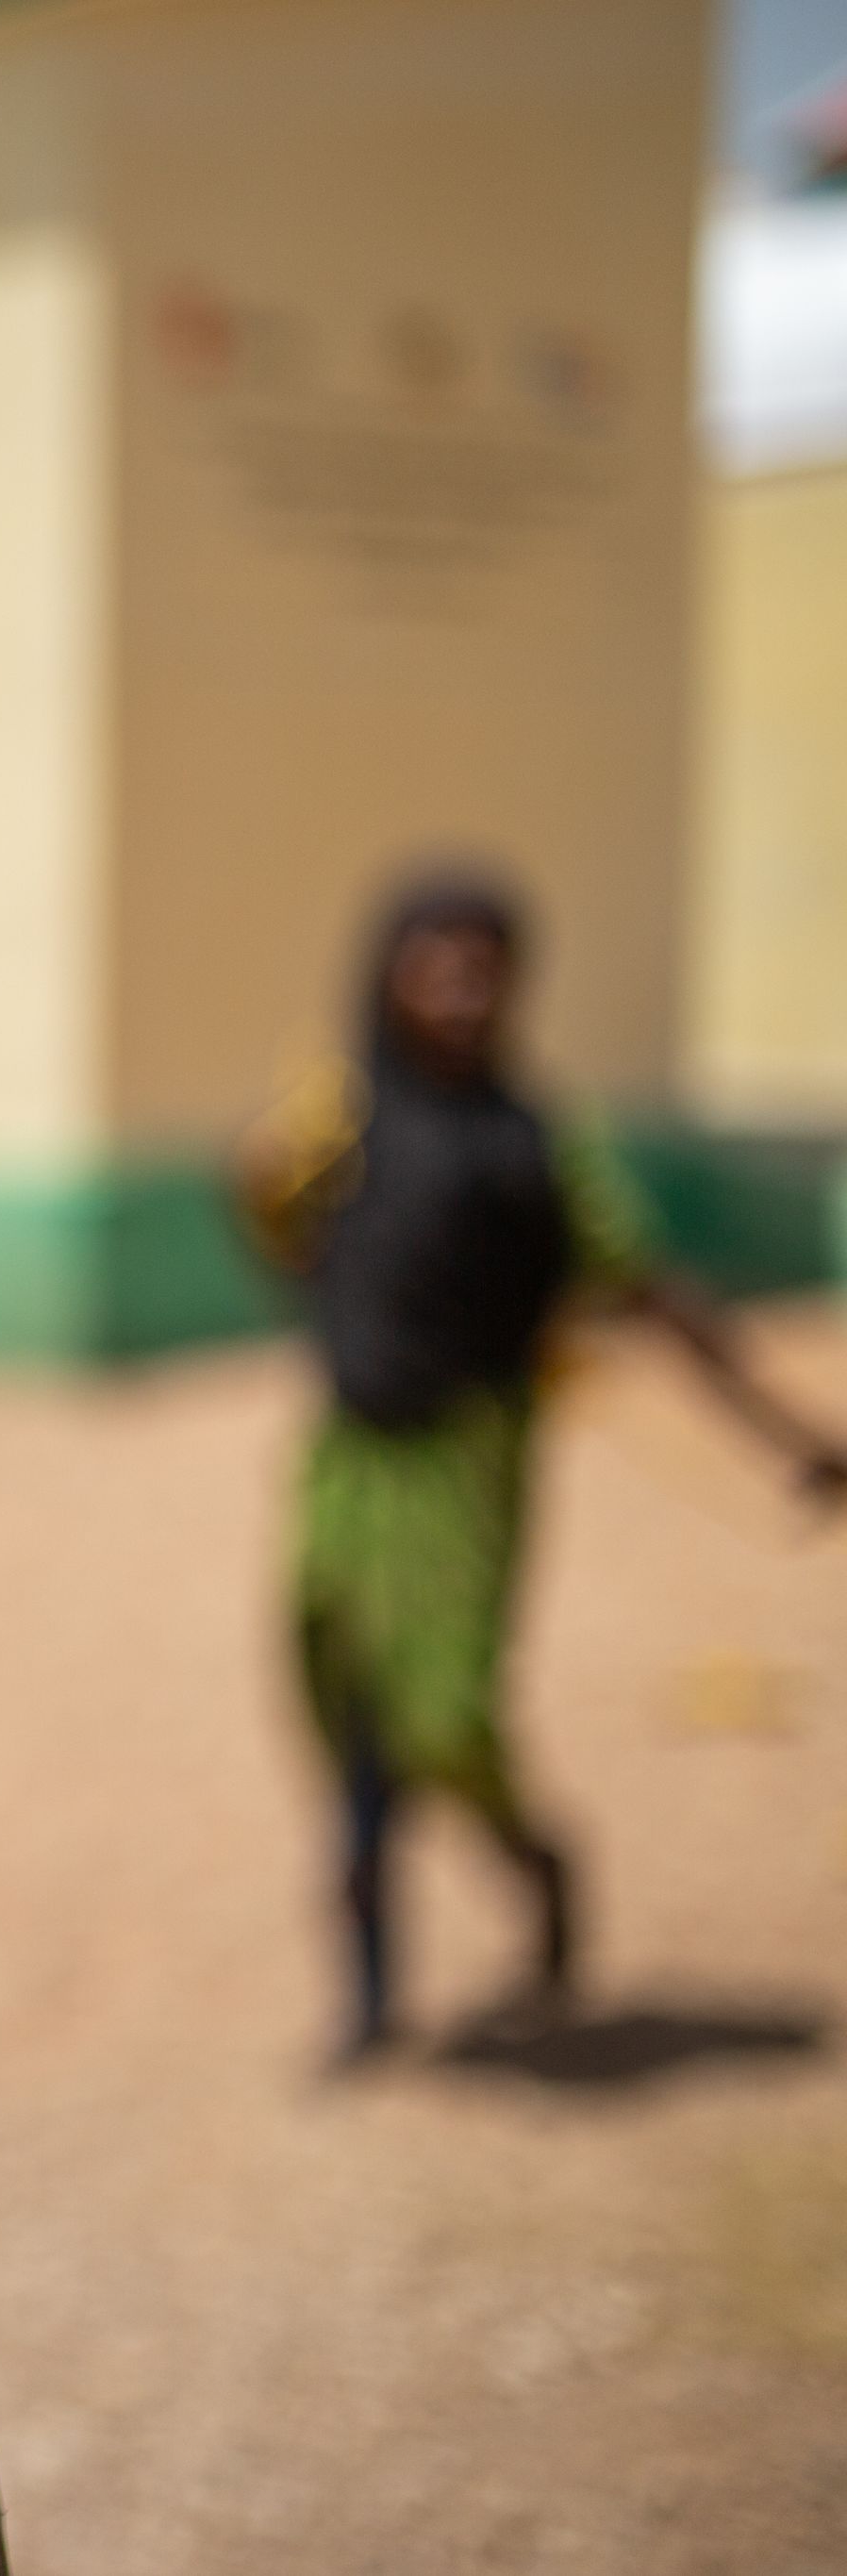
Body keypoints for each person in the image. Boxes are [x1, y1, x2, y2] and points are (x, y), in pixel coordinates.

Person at [238, 869, 847, 2063]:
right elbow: (285, 1234)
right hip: (347, 1457)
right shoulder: (343, 1116)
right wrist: (262, 1192)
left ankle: (538, 1863)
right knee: (346, 1706)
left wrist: (791, 1432)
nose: (462, 990)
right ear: (388, 974)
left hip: (468, 1462)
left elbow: (653, 1290)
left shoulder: (541, 1144)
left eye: (486, 965)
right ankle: (368, 2000)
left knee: (448, 1715)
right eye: (437, 962)